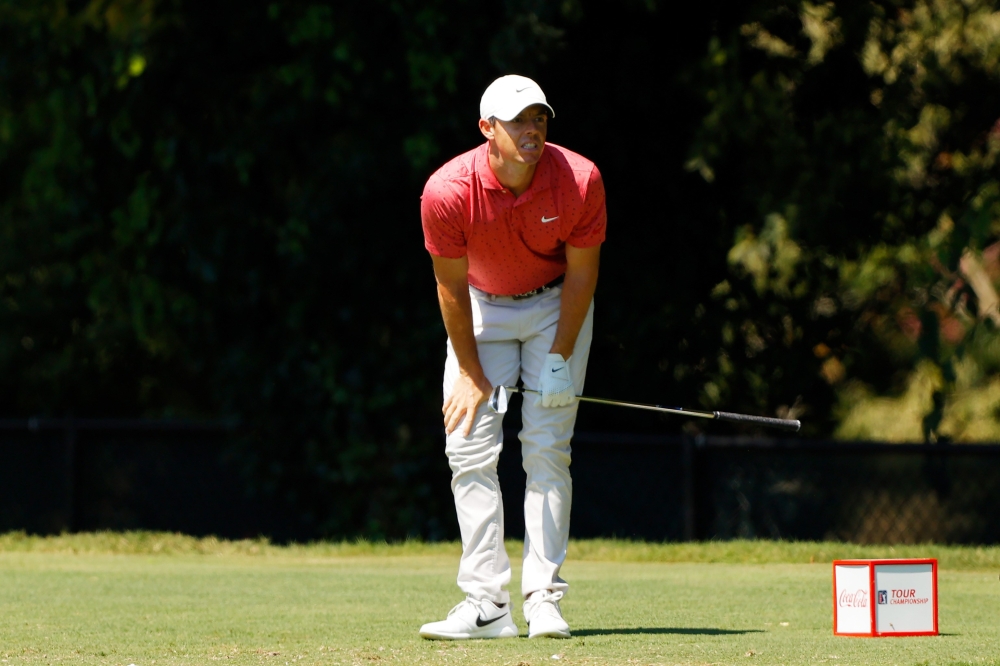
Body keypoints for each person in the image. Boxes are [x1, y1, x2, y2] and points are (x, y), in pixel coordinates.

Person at [418, 74, 606, 640]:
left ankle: (543, 599)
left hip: (555, 306)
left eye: (540, 118)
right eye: (518, 120)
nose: (532, 130)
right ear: (487, 129)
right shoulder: (448, 190)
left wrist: (560, 357)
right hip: (481, 307)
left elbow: (582, 276)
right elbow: (450, 289)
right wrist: (472, 374)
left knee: (547, 448)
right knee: (468, 447)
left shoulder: (578, 178)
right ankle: (486, 603)